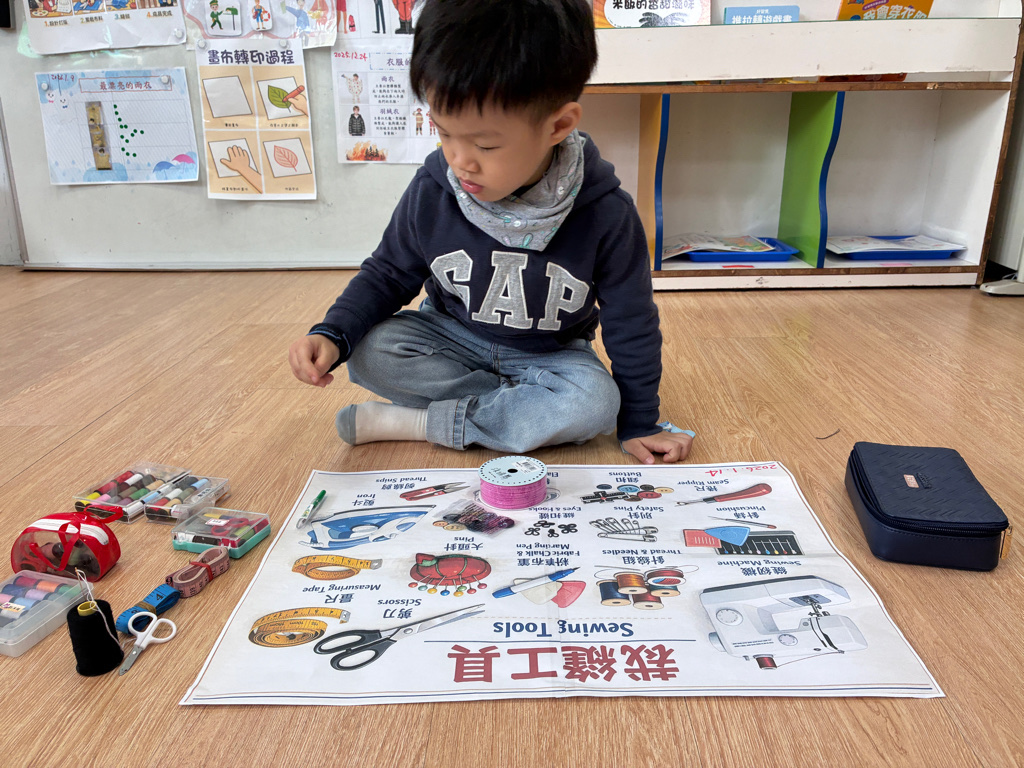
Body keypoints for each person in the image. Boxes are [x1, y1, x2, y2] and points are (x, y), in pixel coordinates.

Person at [288, 0, 693, 466]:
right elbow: (387, 273)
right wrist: (334, 333)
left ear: (558, 126)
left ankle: (418, 424)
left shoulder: (607, 213)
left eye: (485, 144)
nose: (460, 161)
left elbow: (631, 321)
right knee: (368, 352)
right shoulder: (433, 189)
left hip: (549, 357)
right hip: (452, 338)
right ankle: (515, 412)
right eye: (444, 133)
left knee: (596, 403)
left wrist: (640, 422)